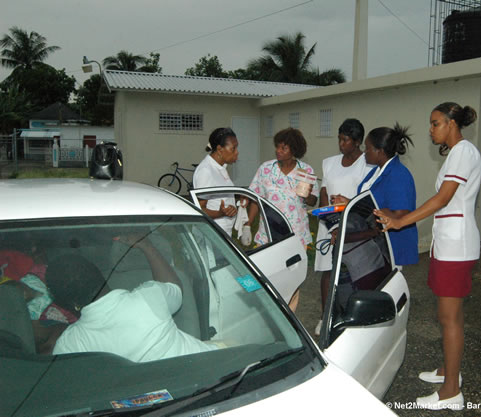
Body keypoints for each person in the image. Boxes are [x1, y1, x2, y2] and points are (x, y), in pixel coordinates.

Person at [374, 102, 481, 411]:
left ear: (451, 123)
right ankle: (449, 371)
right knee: (450, 315)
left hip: (456, 246)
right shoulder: (459, 154)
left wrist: (400, 221)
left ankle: (451, 392)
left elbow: (443, 198)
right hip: (449, 244)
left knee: (449, 318)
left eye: (435, 123)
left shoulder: (462, 152)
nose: (430, 129)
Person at [47, 234, 220, 362]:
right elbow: (175, 289)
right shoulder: (149, 297)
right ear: (100, 275)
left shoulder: (70, 344)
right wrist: (147, 247)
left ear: (67, 303)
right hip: (207, 368)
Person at [246, 127, 319, 311]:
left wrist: (308, 194)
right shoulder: (266, 169)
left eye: (284, 148)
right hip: (267, 234)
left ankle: (289, 315)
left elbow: (313, 201)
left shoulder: (306, 171)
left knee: (291, 280)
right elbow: (256, 198)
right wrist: (248, 223)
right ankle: (267, 313)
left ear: (294, 150)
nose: (278, 151)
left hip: (295, 235)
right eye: (277, 147)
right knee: (265, 275)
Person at [313, 118, 372, 335]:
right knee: (328, 271)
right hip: (328, 224)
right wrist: (325, 215)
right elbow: (324, 191)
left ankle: (350, 316)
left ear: (357, 142)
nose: (341, 143)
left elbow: (365, 198)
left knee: (352, 271)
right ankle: (325, 315)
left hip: (352, 225)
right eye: (339, 138)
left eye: (346, 140)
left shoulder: (367, 164)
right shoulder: (329, 162)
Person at [333, 123, 419, 267]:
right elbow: (371, 203)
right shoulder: (376, 172)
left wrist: (358, 208)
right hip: (374, 247)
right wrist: (349, 202)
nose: (364, 152)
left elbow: (400, 215)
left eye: (367, 148)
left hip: (391, 248)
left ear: (380, 151)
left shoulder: (398, 175)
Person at [192, 127, 240, 235]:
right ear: (219, 149)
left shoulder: (220, 168)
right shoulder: (206, 171)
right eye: (233, 148)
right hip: (211, 233)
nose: (237, 152)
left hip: (222, 231)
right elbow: (199, 209)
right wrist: (220, 213)